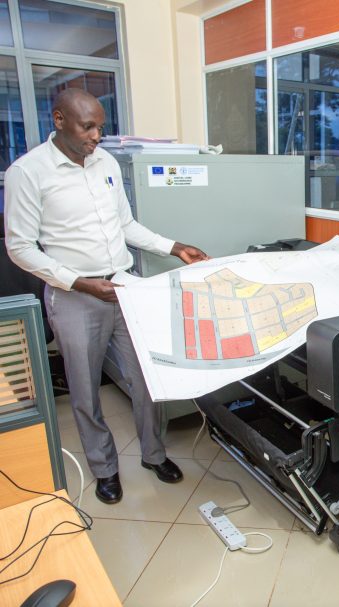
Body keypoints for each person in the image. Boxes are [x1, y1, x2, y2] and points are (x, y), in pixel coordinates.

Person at [4, 88, 209, 505]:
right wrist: (81, 283)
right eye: (88, 127)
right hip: (74, 296)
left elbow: (126, 225)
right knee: (85, 390)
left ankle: (154, 454)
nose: (97, 136)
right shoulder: (29, 172)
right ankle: (105, 469)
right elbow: (20, 248)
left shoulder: (107, 163)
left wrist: (174, 247)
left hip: (122, 286)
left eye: (100, 126)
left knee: (146, 378)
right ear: (59, 120)